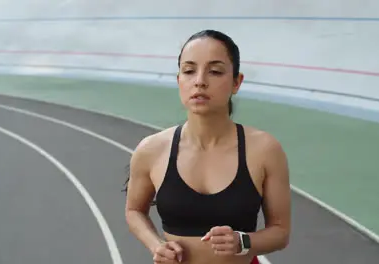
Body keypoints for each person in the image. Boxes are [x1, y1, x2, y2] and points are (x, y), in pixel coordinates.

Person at [124, 29, 291, 264]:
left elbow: (280, 232)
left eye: (215, 71)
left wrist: (243, 242)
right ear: (179, 80)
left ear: (236, 82)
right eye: (189, 71)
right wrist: (156, 245)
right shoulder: (151, 150)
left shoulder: (264, 150)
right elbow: (134, 211)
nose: (200, 81)